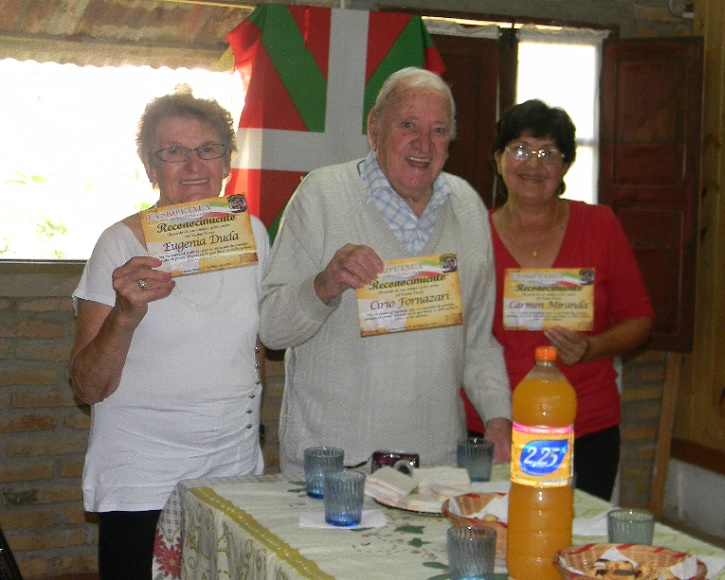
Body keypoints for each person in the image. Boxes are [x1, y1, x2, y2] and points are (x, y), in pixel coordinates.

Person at [259, 67, 512, 473]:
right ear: (374, 128)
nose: (423, 144)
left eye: (438, 130)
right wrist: (324, 285)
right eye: (407, 124)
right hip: (335, 469)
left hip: (437, 468)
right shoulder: (323, 195)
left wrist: (499, 418)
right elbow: (272, 329)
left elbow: (478, 342)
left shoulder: (467, 205)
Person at [68, 86, 270, 579]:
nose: (194, 165)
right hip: (143, 475)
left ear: (226, 162)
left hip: (232, 466)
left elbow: (254, 348)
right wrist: (125, 314)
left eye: (207, 149)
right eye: (174, 152)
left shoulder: (253, 234)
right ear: (150, 167)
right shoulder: (119, 244)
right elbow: (86, 386)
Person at [463, 99, 654, 500]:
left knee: (576, 542)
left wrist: (592, 347)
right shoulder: (470, 235)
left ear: (565, 166)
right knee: (490, 533)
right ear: (497, 159)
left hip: (584, 425)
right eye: (519, 149)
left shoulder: (600, 225)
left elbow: (639, 319)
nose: (533, 165)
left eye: (548, 153)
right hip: (493, 425)